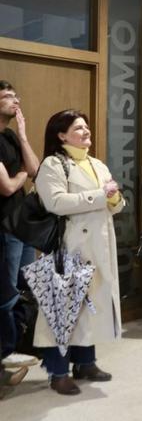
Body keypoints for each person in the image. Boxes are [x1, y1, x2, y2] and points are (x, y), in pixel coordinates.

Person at [34, 110, 125, 395]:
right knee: (62, 310)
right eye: (78, 128)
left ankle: (85, 362)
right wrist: (101, 197)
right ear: (62, 135)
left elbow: (115, 203)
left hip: (99, 243)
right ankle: (58, 371)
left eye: (86, 126)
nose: (86, 131)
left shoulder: (97, 164)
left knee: (91, 305)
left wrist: (115, 200)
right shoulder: (52, 165)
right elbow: (56, 202)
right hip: (69, 245)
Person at [0, 80, 40, 373]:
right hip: (5, 225)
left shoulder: (12, 136)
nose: (16, 100)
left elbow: (34, 170)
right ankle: (6, 349)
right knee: (8, 289)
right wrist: (21, 176)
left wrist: (24, 137)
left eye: (16, 95)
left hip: (23, 224)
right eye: (7, 96)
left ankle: (20, 342)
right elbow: (6, 186)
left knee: (26, 285)